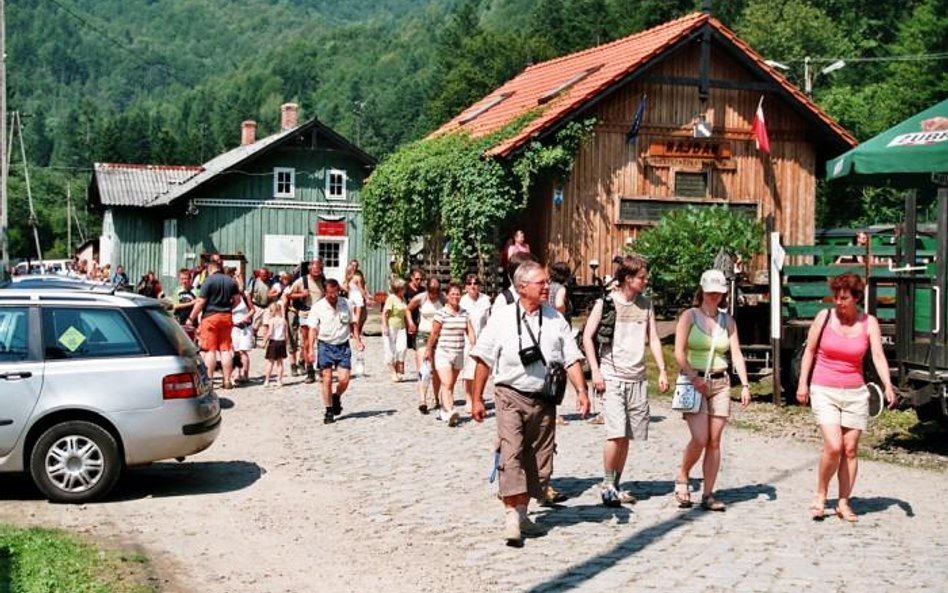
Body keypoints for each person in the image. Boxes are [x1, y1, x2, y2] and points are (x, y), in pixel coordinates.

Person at [470, 260, 591, 547]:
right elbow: (483, 359)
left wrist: (582, 392)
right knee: (511, 452)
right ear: (522, 287)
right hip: (509, 394)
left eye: (547, 282)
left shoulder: (555, 319)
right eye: (542, 282)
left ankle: (523, 514)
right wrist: (475, 398)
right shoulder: (501, 318)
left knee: (539, 458)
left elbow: (571, 358)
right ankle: (511, 515)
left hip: (545, 398)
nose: (547, 286)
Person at [796, 272, 896, 522]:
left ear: (856, 298)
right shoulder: (825, 317)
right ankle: (820, 495)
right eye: (836, 298)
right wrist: (802, 383)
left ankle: (843, 502)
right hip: (824, 388)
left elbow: (878, 356)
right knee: (834, 446)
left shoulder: (869, 323)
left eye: (844, 298)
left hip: (855, 392)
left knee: (850, 450)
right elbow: (809, 351)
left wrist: (887, 385)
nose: (838, 303)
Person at [583, 254, 669, 507]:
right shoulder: (607, 303)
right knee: (615, 432)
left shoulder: (646, 304)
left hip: (637, 377)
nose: (645, 281)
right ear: (628, 278)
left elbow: (653, 338)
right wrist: (596, 372)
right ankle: (607, 484)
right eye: (641, 277)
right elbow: (588, 336)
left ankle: (616, 484)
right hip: (612, 376)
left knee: (627, 434)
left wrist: (662, 369)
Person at [673, 269, 751, 512]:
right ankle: (683, 474)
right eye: (710, 292)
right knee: (700, 438)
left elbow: (736, 353)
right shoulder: (689, 316)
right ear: (702, 291)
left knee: (715, 441)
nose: (714, 296)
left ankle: (708, 492)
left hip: (721, 382)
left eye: (718, 292)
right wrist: (693, 376)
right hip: (695, 380)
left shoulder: (727, 321)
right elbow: (678, 352)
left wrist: (746, 384)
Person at [306, 279, 365, 424]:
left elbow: (352, 324)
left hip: (342, 345)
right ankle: (329, 410)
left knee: (344, 379)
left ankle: (336, 395)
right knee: (326, 378)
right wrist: (310, 350)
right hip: (325, 345)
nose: (333, 296)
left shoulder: (346, 303)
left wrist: (358, 340)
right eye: (330, 293)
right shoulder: (318, 307)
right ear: (325, 292)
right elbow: (312, 329)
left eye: (336, 292)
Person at [426, 282, 476, 426]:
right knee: (446, 383)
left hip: (458, 352)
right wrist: (428, 350)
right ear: (447, 296)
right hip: (443, 352)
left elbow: (470, 331)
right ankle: (450, 411)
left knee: (450, 384)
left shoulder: (464, 313)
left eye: (458, 294)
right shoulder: (441, 313)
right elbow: (434, 333)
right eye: (452, 294)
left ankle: (443, 410)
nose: (455, 296)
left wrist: (474, 345)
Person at [185, 260, 241, 389]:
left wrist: (190, 317)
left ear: (210, 269)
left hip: (210, 318)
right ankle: (227, 381)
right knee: (226, 350)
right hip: (226, 317)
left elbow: (200, 302)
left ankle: (209, 381)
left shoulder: (208, 281)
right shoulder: (230, 281)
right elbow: (237, 300)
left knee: (210, 351)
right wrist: (229, 308)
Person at [407, 278, 444, 415]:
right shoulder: (421, 298)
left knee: (437, 369)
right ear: (427, 290)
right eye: (431, 292)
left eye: (436, 292)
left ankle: (436, 397)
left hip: (439, 336)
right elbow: (408, 309)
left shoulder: (443, 299)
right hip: (423, 334)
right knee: (424, 367)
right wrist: (411, 323)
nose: (433, 295)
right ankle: (422, 400)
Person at [285, 259, 326, 383]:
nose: (317, 272)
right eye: (314, 270)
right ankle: (310, 371)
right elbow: (289, 295)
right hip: (306, 314)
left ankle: (322, 367)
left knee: (322, 342)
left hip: (320, 315)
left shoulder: (323, 282)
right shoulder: (301, 281)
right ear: (310, 269)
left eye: (319, 270)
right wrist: (301, 295)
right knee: (307, 343)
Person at [460, 273, 492, 411]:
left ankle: (478, 396)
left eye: (475, 283)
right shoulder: (463, 301)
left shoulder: (486, 300)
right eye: (470, 283)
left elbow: (489, 321)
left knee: (482, 368)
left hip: (483, 338)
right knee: (468, 370)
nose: (473, 286)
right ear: (466, 286)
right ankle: (468, 398)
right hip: (467, 339)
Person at [382, 278, 409, 382]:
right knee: (390, 350)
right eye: (403, 288)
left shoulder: (402, 299)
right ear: (398, 289)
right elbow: (385, 313)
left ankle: (399, 367)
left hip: (401, 327)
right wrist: (385, 326)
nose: (404, 289)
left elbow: (405, 313)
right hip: (391, 326)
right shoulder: (391, 298)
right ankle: (393, 372)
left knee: (402, 348)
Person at [230, 282, 256, 386]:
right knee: (235, 351)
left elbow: (252, 310)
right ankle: (237, 373)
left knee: (243, 351)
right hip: (234, 327)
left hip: (245, 328)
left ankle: (245, 374)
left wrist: (246, 317)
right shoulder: (229, 297)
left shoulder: (245, 296)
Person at [262, 301, 288, 388]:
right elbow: (286, 334)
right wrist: (286, 343)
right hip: (281, 342)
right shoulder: (284, 321)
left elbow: (270, 332)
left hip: (273, 342)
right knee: (280, 363)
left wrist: (264, 340)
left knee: (270, 362)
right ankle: (279, 381)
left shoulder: (272, 321)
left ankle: (267, 381)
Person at [404, 267, 425, 353]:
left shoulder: (422, 290)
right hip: (406, 316)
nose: (419, 281)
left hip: (418, 316)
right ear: (412, 278)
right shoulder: (405, 289)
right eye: (417, 279)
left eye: (421, 279)